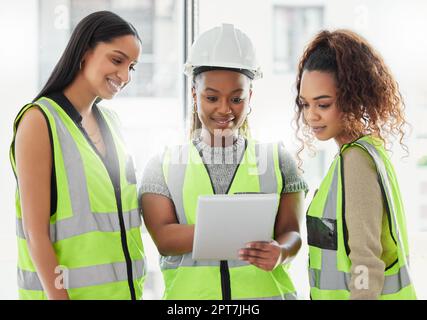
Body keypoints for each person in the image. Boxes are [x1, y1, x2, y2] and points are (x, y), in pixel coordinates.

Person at [140, 23, 307, 300]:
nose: (224, 109)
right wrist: (238, 231)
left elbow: (291, 233)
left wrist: (281, 253)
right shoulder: (162, 163)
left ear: (249, 97)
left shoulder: (278, 160)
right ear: (195, 95)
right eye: (212, 97)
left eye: (236, 98)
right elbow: (165, 240)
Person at [10, 11, 145, 300]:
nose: (125, 76)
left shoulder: (113, 124)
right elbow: (37, 235)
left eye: (132, 67)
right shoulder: (39, 121)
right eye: (117, 60)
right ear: (85, 52)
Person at [295, 29, 417, 299]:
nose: (311, 115)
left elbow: (366, 262)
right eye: (305, 104)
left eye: (323, 104)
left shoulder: (356, 161)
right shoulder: (364, 152)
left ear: (352, 98)